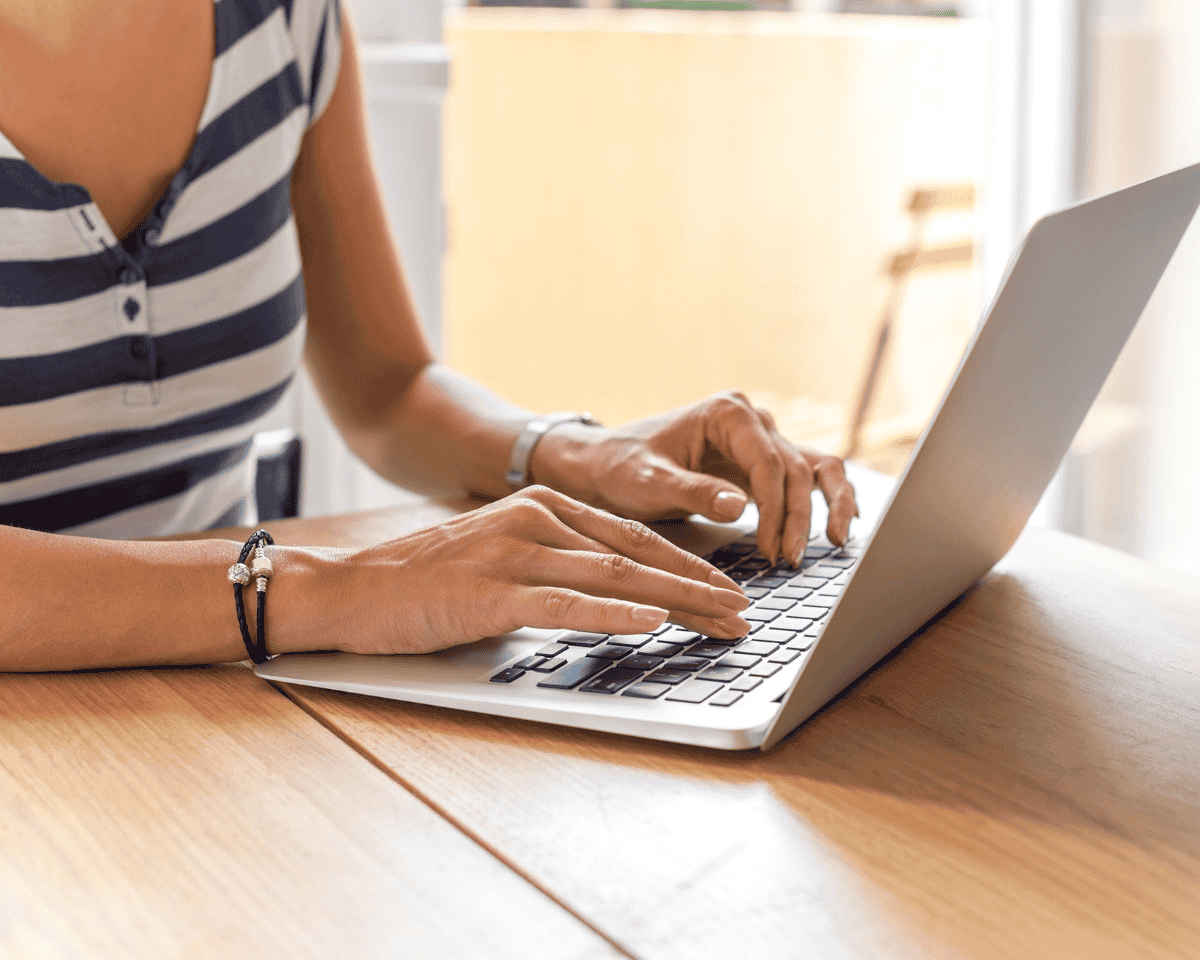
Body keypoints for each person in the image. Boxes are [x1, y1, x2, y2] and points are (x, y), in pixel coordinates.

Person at [0, 0, 857, 672]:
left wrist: (572, 455)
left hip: (214, 683)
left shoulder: (286, 24)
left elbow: (386, 387)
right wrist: (341, 591)